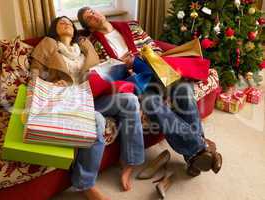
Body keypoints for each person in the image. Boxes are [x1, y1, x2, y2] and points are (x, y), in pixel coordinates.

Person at [77, 6, 222, 193]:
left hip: (161, 72)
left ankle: (195, 155)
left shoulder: (131, 27)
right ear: (88, 26)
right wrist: (127, 65)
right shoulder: (94, 43)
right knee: (152, 104)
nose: (94, 15)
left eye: (93, 11)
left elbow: (154, 47)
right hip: (139, 83)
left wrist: (144, 58)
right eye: (88, 17)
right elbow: (106, 71)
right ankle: (200, 149)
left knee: (184, 91)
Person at [30, 16, 145, 200]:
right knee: (97, 120)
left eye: (69, 22)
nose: (66, 24)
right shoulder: (48, 44)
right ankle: (86, 184)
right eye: (61, 22)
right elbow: (34, 76)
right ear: (54, 29)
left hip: (92, 96)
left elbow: (101, 69)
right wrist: (52, 85)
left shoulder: (84, 45)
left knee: (130, 100)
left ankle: (129, 161)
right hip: (67, 101)